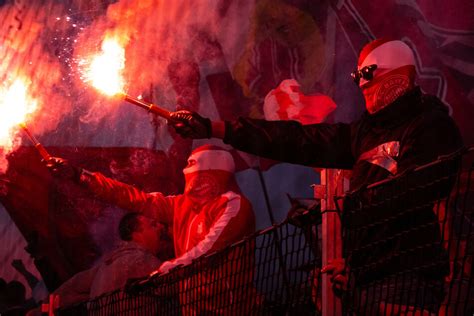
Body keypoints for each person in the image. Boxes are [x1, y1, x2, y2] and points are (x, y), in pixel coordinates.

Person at [167, 38, 464, 314]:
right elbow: (298, 139)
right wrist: (217, 128)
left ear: (397, 72)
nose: (362, 83)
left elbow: (411, 197)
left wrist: (347, 210)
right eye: (356, 76)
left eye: (368, 73)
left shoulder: (431, 126)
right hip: (364, 282)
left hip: (410, 278)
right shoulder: (365, 132)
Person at [47, 144, 256, 314]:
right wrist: (79, 176)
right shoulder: (180, 206)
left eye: (198, 173)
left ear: (215, 172)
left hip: (233, 309)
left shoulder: (232, 204)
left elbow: (207, 250)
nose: (193, 181)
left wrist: (159, 275)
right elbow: (131, 197)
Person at [53, 212, 163, 307]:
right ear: (136, 233)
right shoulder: (145, 261)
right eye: (152, 225)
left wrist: (38, 311)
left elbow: (69, 290)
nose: (160, 227)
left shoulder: (106, 265)